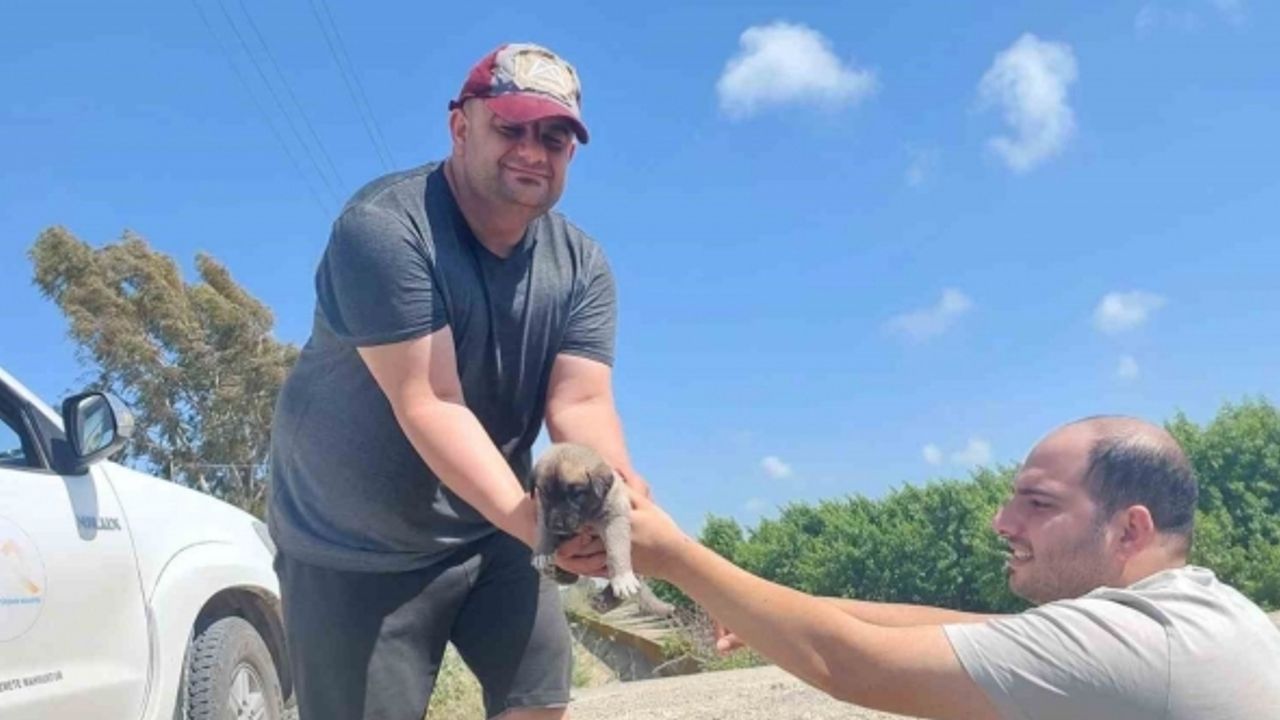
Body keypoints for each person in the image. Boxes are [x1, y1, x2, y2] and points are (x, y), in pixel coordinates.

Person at [268, 42, 644, 720]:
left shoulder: (581, 265)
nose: (532, 151)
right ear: (460, 127)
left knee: (540, 704)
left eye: (553, 138)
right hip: (354, 544)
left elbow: (581, 400)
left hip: (493, 521)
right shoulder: (384, 229)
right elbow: (431, 401)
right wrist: (536, 525)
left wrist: (614, 500)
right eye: (511, 128)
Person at [627, 416, 1280, 719]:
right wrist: (771, 608)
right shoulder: (1201, 610)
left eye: (1038, 503)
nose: (1002, 521)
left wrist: (675, 556)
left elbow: (850, 666)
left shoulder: (1138, 644)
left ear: (1130, 528)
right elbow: (967, 628)